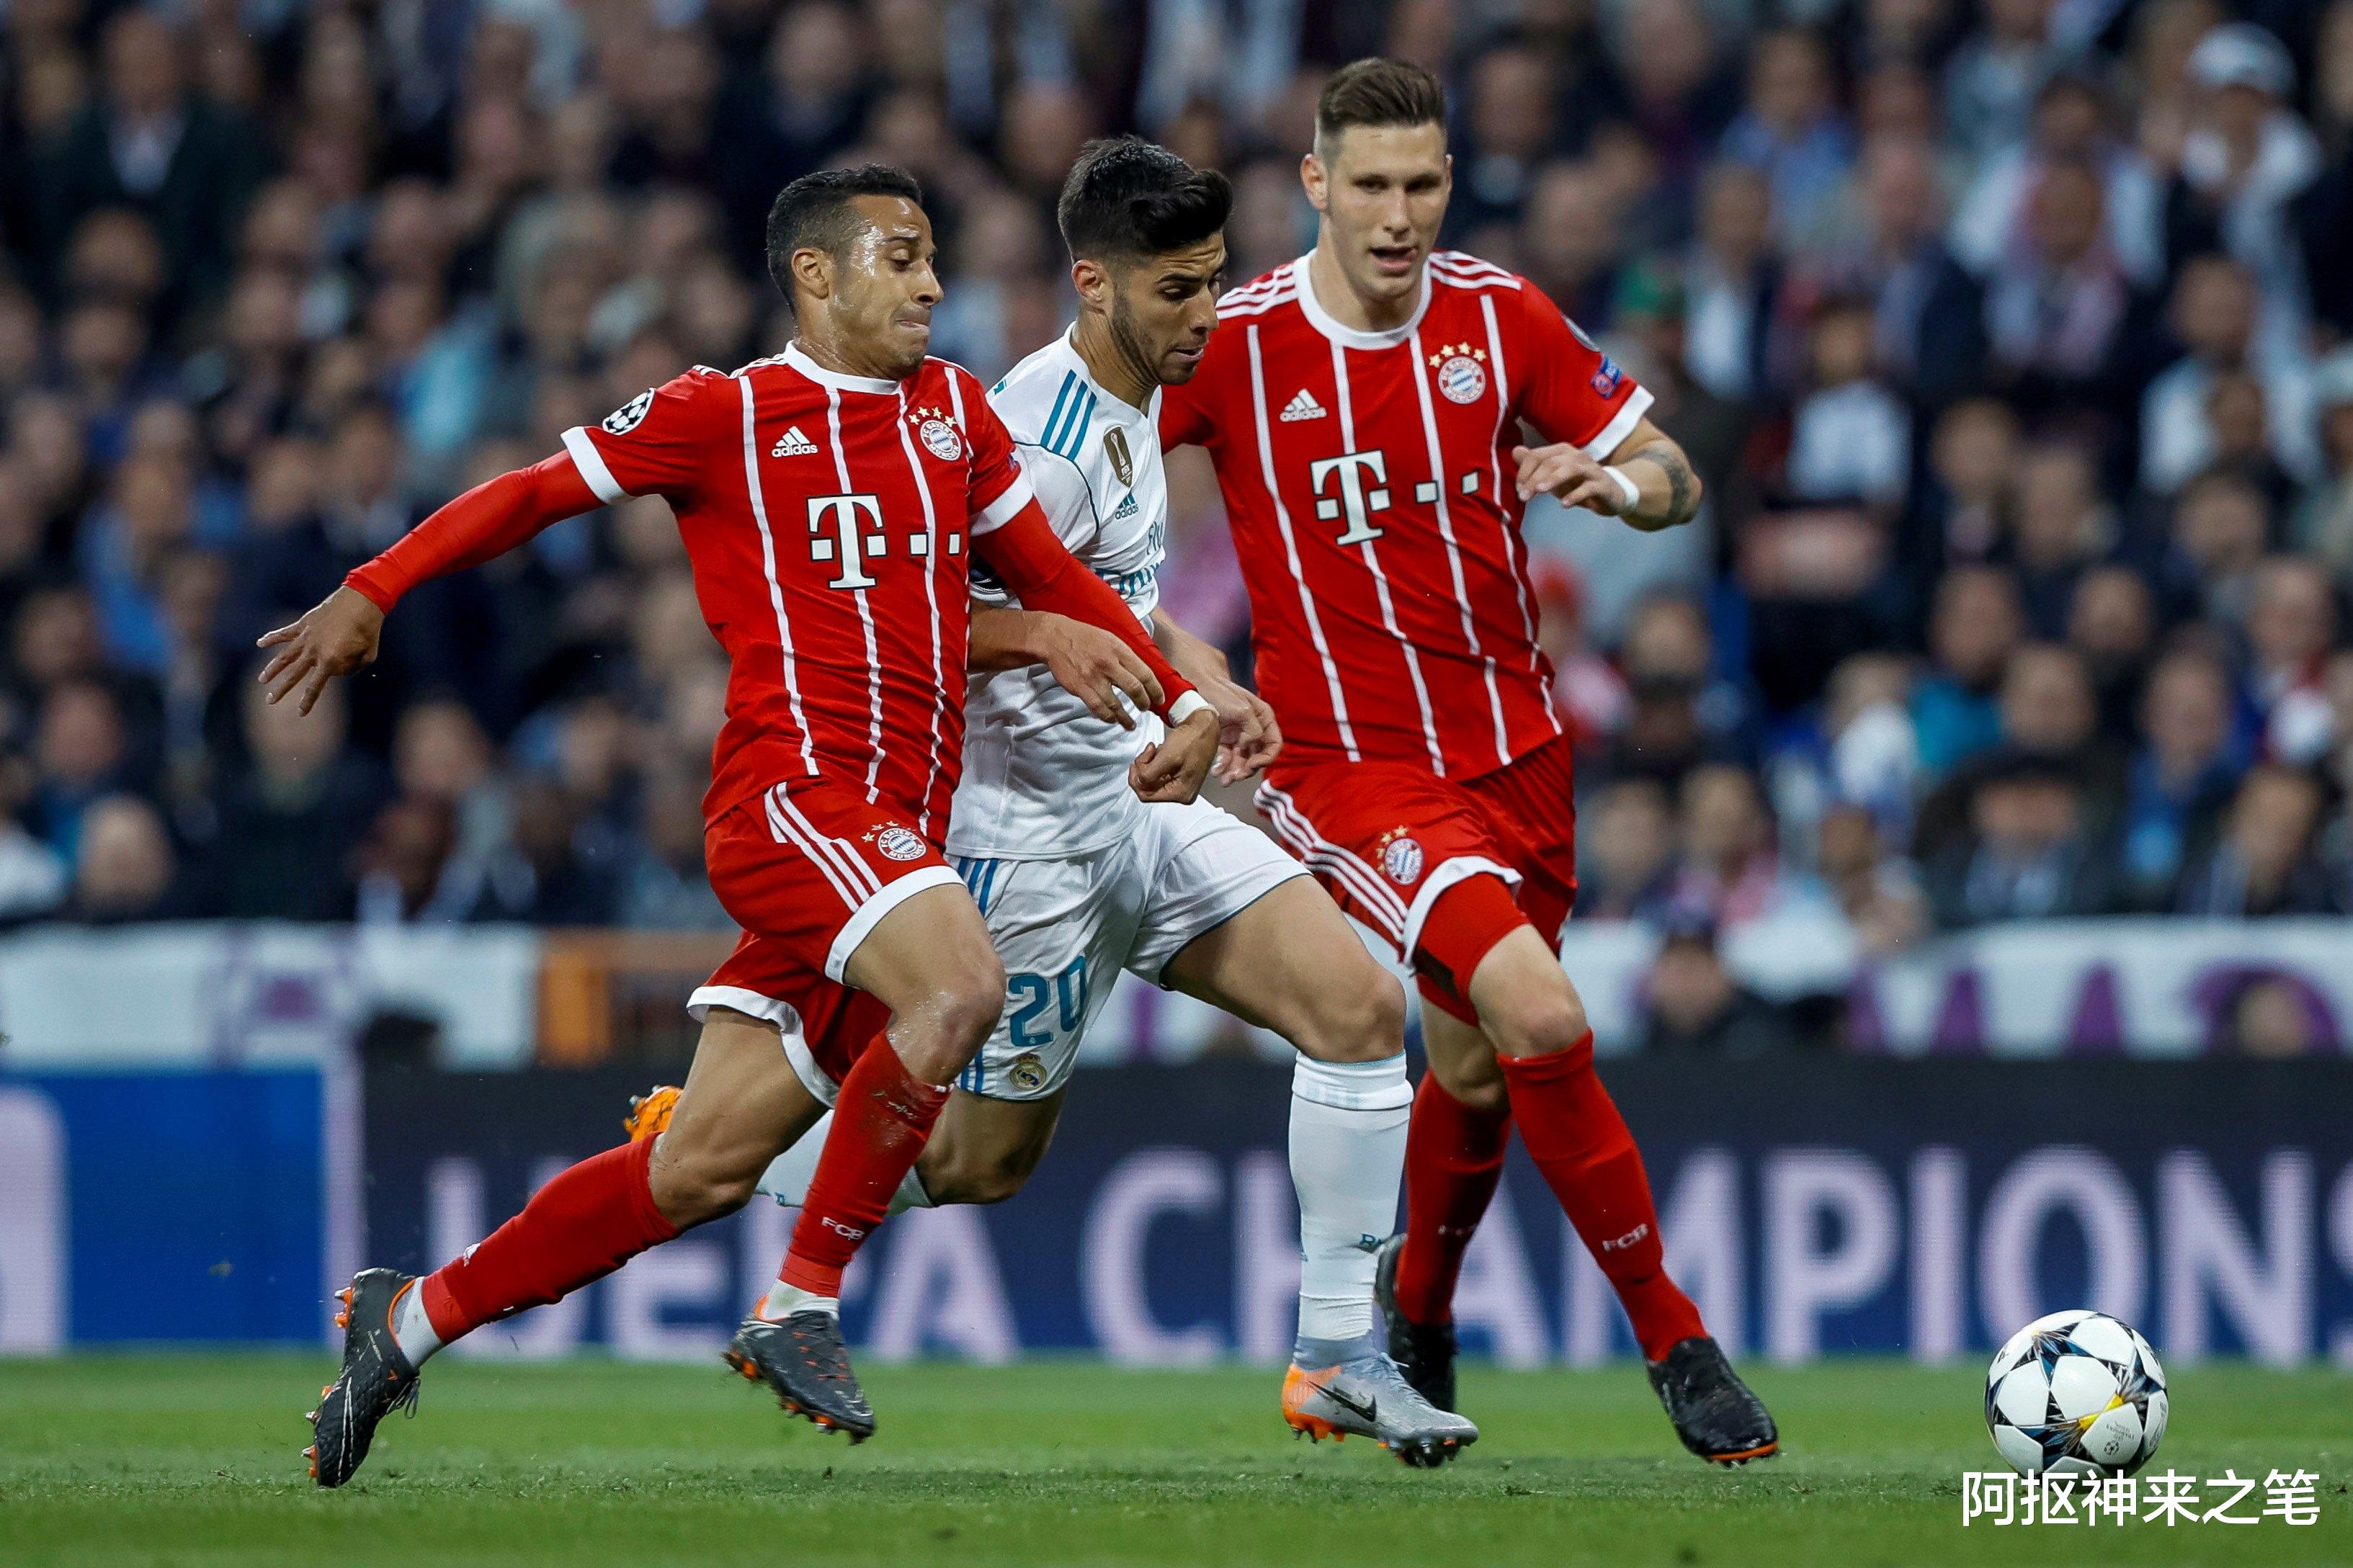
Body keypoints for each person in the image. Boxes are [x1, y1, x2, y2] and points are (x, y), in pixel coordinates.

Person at [270, 164, 1220, 1487]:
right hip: (794, 799)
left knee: (697, 1168)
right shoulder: (719, 413)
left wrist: (1183, 695)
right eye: (902, 257)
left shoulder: (954, 412)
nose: (934, 284)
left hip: (891, 836)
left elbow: (1053, 577)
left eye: (933, 257)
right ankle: (800, 1302)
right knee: (960, 986)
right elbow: (533, 491)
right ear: (815, 275)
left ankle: (409, 1320)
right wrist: (374, 585)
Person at [635, 138, 1476, 1463]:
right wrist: (1086, 655)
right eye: (1176, 291)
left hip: (1141, 808)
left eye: (1213, 283)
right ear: (1096, 285)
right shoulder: (1041, 433)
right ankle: (734, 1145)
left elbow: (1109, 600)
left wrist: (1201, 681)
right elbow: (918, 621)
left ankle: (1337, 1357)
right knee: (980, 1165)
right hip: (1024, 841)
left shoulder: (1136, 401)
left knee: (1363, 1008)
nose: (1204, 315)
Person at [1156, 58, 1775, 1464]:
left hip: (1519, 753)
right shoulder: (1235, 343)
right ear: (1315, 184)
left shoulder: (1501, 317)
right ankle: (1676, 1341)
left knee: (1477, 1066)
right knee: (1539, 1013)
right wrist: (1172, 657)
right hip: (1348, 765)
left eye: (1421, 184)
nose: (1397, 215)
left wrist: (1612, 484)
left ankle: (1418, 1317)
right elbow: (1078, 469)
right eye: (1369, 185)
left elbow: (1674, 474)